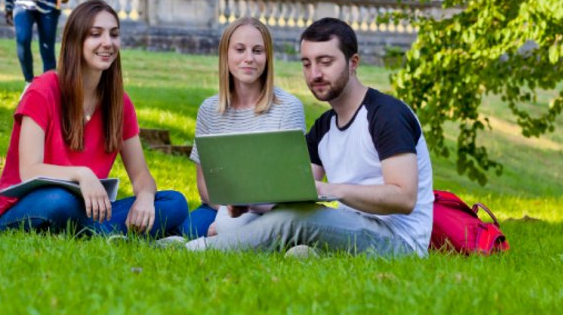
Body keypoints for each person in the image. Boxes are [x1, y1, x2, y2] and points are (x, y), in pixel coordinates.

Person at [184, 18, 434, 256]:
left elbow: (404, 197)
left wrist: (330, 190)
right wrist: (249, 205)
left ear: (353, 62)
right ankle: (300, 254)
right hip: (353, 226)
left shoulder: (386, 115)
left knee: (298, 220)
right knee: (294, 213)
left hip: (399, 241)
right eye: (307, 63)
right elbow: (292, 195)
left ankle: (198, 250)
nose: (315, 74)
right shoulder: (324, 126)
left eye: (325, 62)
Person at [0, 0, 189, 237]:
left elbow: (141, 176)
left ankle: (95, 233)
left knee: (174, 202)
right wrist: (81, 174)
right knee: (60, 202)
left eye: (114, 34)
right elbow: (30, 170)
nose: (108, 43)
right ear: (77, 41)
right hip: (28, 208)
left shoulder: (120, 103)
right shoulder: (42, 90)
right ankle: (117, 234)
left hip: (87, 212)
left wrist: (145, 197)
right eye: (96, 34)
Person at [179, 18, 306, 238]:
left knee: (245, 231)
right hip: (221, 206)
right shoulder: (209, 110)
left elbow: (292, 189)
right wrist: (228, 213)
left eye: (258, 51)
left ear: (267, 58)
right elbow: (204, 186)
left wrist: (242, 216)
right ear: (225, 55)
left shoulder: (288, 108)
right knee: (191, 228)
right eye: (240, 50)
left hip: (273, 209)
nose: (249, 58)